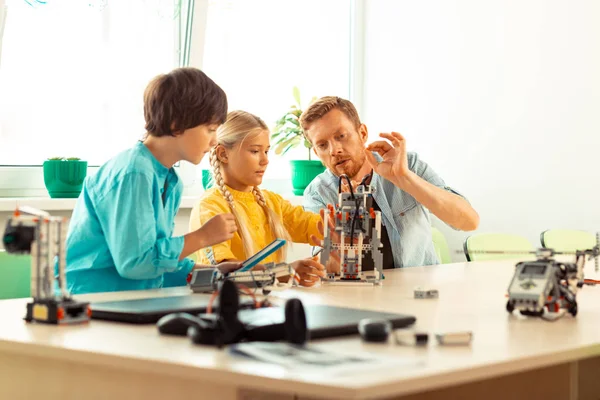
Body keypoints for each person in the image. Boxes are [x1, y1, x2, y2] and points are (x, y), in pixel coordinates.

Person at [65, 67, 240, 294]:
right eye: (210, 129)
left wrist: (212, 273)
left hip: (132, 299)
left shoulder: (170, 181)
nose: (214, 141)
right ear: (177, 124)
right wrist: (202, 237)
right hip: (93, 302)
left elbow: (157, 261)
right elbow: (136, 263)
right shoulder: (134, 173)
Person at [300, 96, 479, 270]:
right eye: (322, 145)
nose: (334, 150)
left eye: (341, 136)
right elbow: (322, 266)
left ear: (362, 133)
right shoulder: (317, 193)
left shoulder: (408, 165)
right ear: (316, 153)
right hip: (360, 296)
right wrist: (344, 231)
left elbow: (468, 222)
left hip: (418, 291)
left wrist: (405, 178)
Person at [190, 110, 327, 287]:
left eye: (266, 151)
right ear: (223, 154)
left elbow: (313, 226)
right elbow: (226, 273)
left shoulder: (272, 202)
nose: (265, 160)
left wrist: (340, 225)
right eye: (255, 151)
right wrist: (283, 272)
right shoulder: (209, 207)